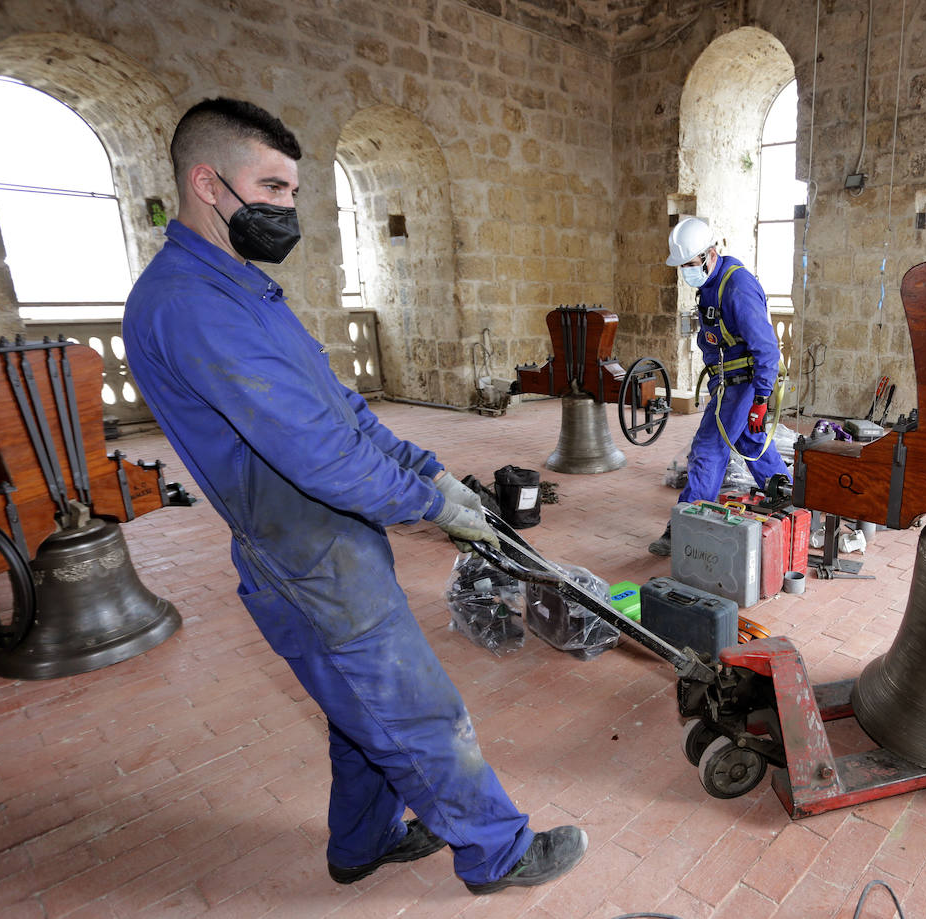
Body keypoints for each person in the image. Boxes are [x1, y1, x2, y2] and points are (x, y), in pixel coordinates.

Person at [122, 98, 586, 893]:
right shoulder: (190, 305)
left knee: (357, 706)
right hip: (305, 551)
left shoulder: (238, 287)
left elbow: (339, 406)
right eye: (270, 187)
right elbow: (320, 453)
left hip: (327, 537)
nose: (287, 208)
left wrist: (427, 466)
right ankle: (496, 851)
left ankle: (362, 839)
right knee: (414, 706)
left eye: (294, 191)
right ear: (207, 183)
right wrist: (429, 505)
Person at [649, 216, 790, 556]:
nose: (686, 271)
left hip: (743, 385)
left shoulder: (737, 287)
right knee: (749, 440)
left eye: (690, 264)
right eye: (681, 265)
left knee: (709, 447)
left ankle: (686, 524)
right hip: (726, 383)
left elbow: (767, 348)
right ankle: (788, 493)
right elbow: (713, 339)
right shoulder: (708, 287)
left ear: (710, 254)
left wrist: (761, 398)